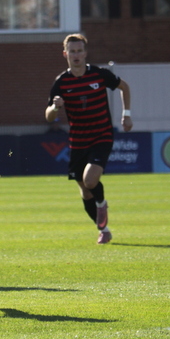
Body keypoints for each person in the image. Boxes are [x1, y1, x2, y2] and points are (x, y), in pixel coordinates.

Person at [46, 33, 132, 244]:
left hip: (101, 135)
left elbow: (124, 87)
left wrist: (126, 114)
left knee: (90, 180)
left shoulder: (99, 75)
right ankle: (104, 229)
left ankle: (102, 204)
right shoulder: (61, 82)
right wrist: (55, 107)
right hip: (78, 141)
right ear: (65, 54)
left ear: (85, 53)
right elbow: (49, 116)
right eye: (72, 51)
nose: (76, 55)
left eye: (79, 51)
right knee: (85, 192)